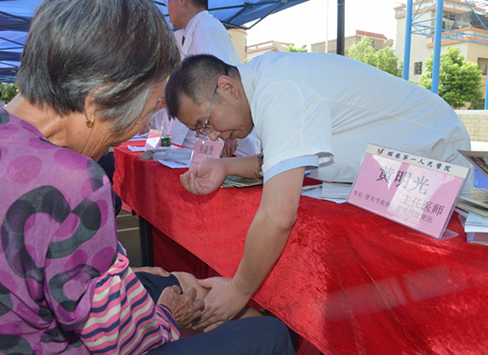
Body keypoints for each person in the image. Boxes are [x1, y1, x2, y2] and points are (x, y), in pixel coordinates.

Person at [0, 1, 295, 354]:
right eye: (147, 111)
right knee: (269, 334)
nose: (139, 127)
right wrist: (166, 316)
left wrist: (120, 274)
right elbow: (115, 339)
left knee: (165, 279)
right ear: (100, 99)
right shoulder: (73, 181)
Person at [164, 52, 474, 331]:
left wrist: (238, 290)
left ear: (227, 88)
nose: (213, 136)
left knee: (428, 294)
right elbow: (277, 161)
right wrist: (226, 167)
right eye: (200, 132)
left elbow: (278, 216)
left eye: (205, 123)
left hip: (432, 162)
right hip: (385, 176)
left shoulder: (281, 91)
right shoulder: (263, 84)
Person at [164, 0, 260, 157]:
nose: (166, 5)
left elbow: (219, 83)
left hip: (225, 141)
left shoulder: (206, 28)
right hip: (204, 140)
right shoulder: (186, 33)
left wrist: (227, 135)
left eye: (168, 1)